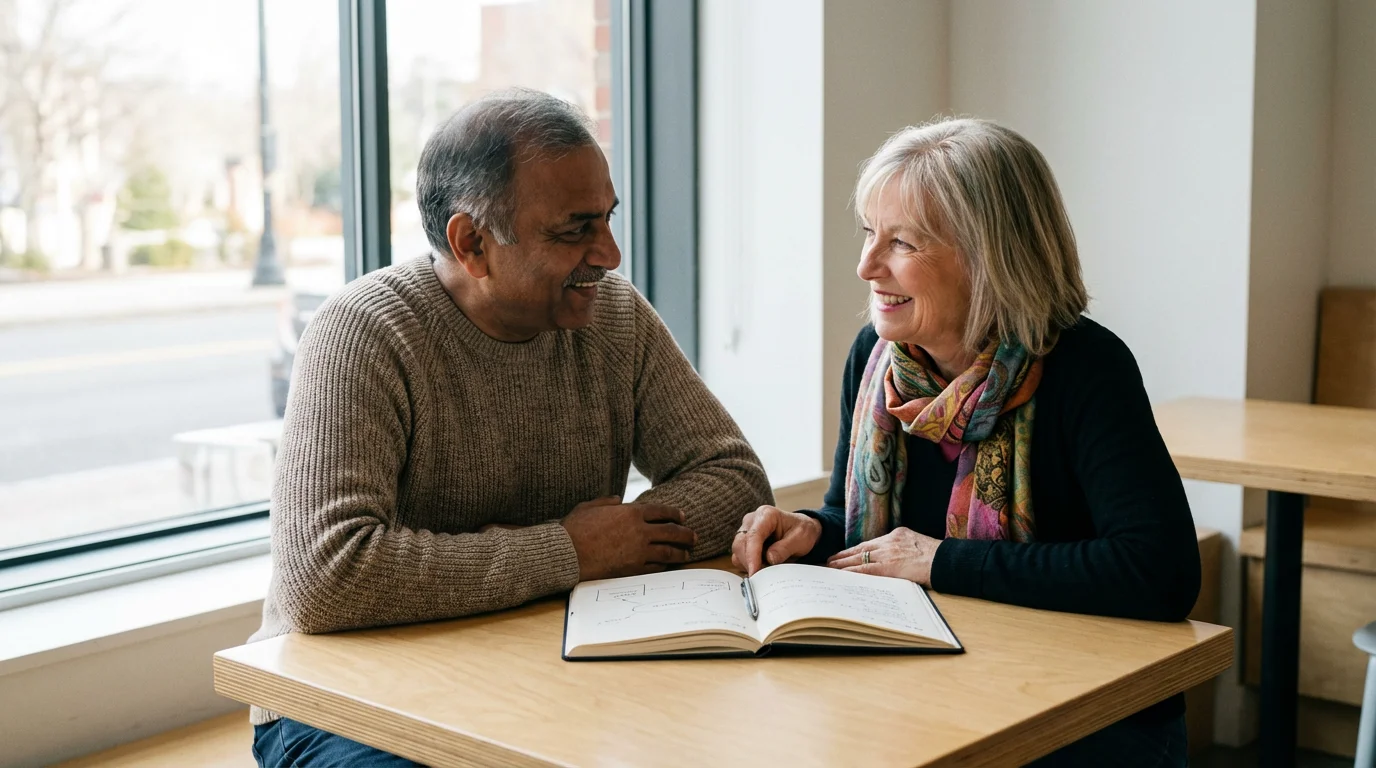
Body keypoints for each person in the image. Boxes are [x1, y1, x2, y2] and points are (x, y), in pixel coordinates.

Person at [249, 88, 772, 767]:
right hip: (344, 699)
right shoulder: (363, 334)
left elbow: (734, 480)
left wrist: (621, 541)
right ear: (471, 243)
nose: (609, 254)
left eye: (607, 220)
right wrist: (569, 552)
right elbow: (325, 578)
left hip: (541, 661)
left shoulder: (613, 314)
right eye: (574, 230)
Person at [731, 118, 1200, 766]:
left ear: (989, 257)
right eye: (870, 233)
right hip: (939, 685)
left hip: (1086, 714)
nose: (866, 266)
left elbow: (1159, 574)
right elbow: (875, 534)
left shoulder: (1087, 367)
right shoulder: (877, 357)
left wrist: (942, 562)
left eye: (902, 243)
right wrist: (814, 530)